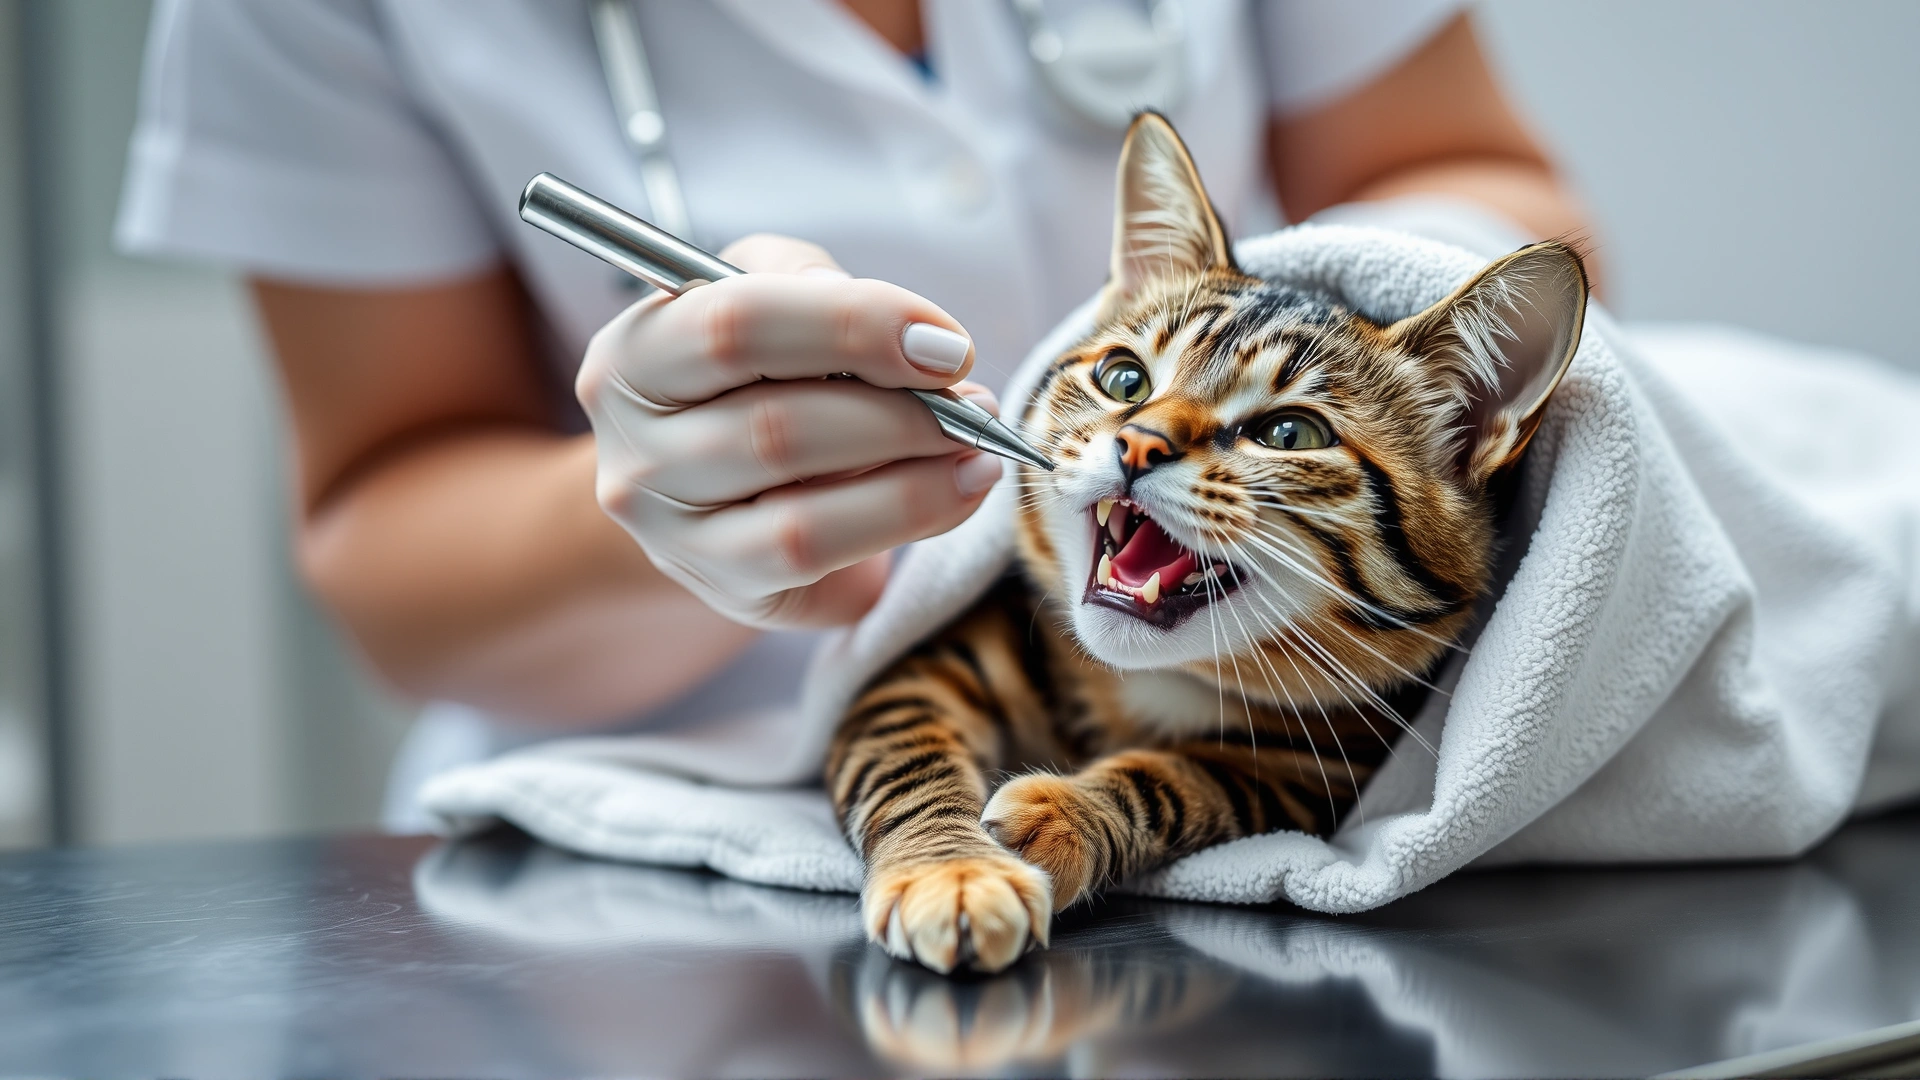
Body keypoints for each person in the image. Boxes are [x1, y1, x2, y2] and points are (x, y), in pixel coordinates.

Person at [117, 0, 1595, 830]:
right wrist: (669, 505)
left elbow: (1488, 190)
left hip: (1289, 730)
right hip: (643, 860)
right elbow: (382, 533)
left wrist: (1364, 376)